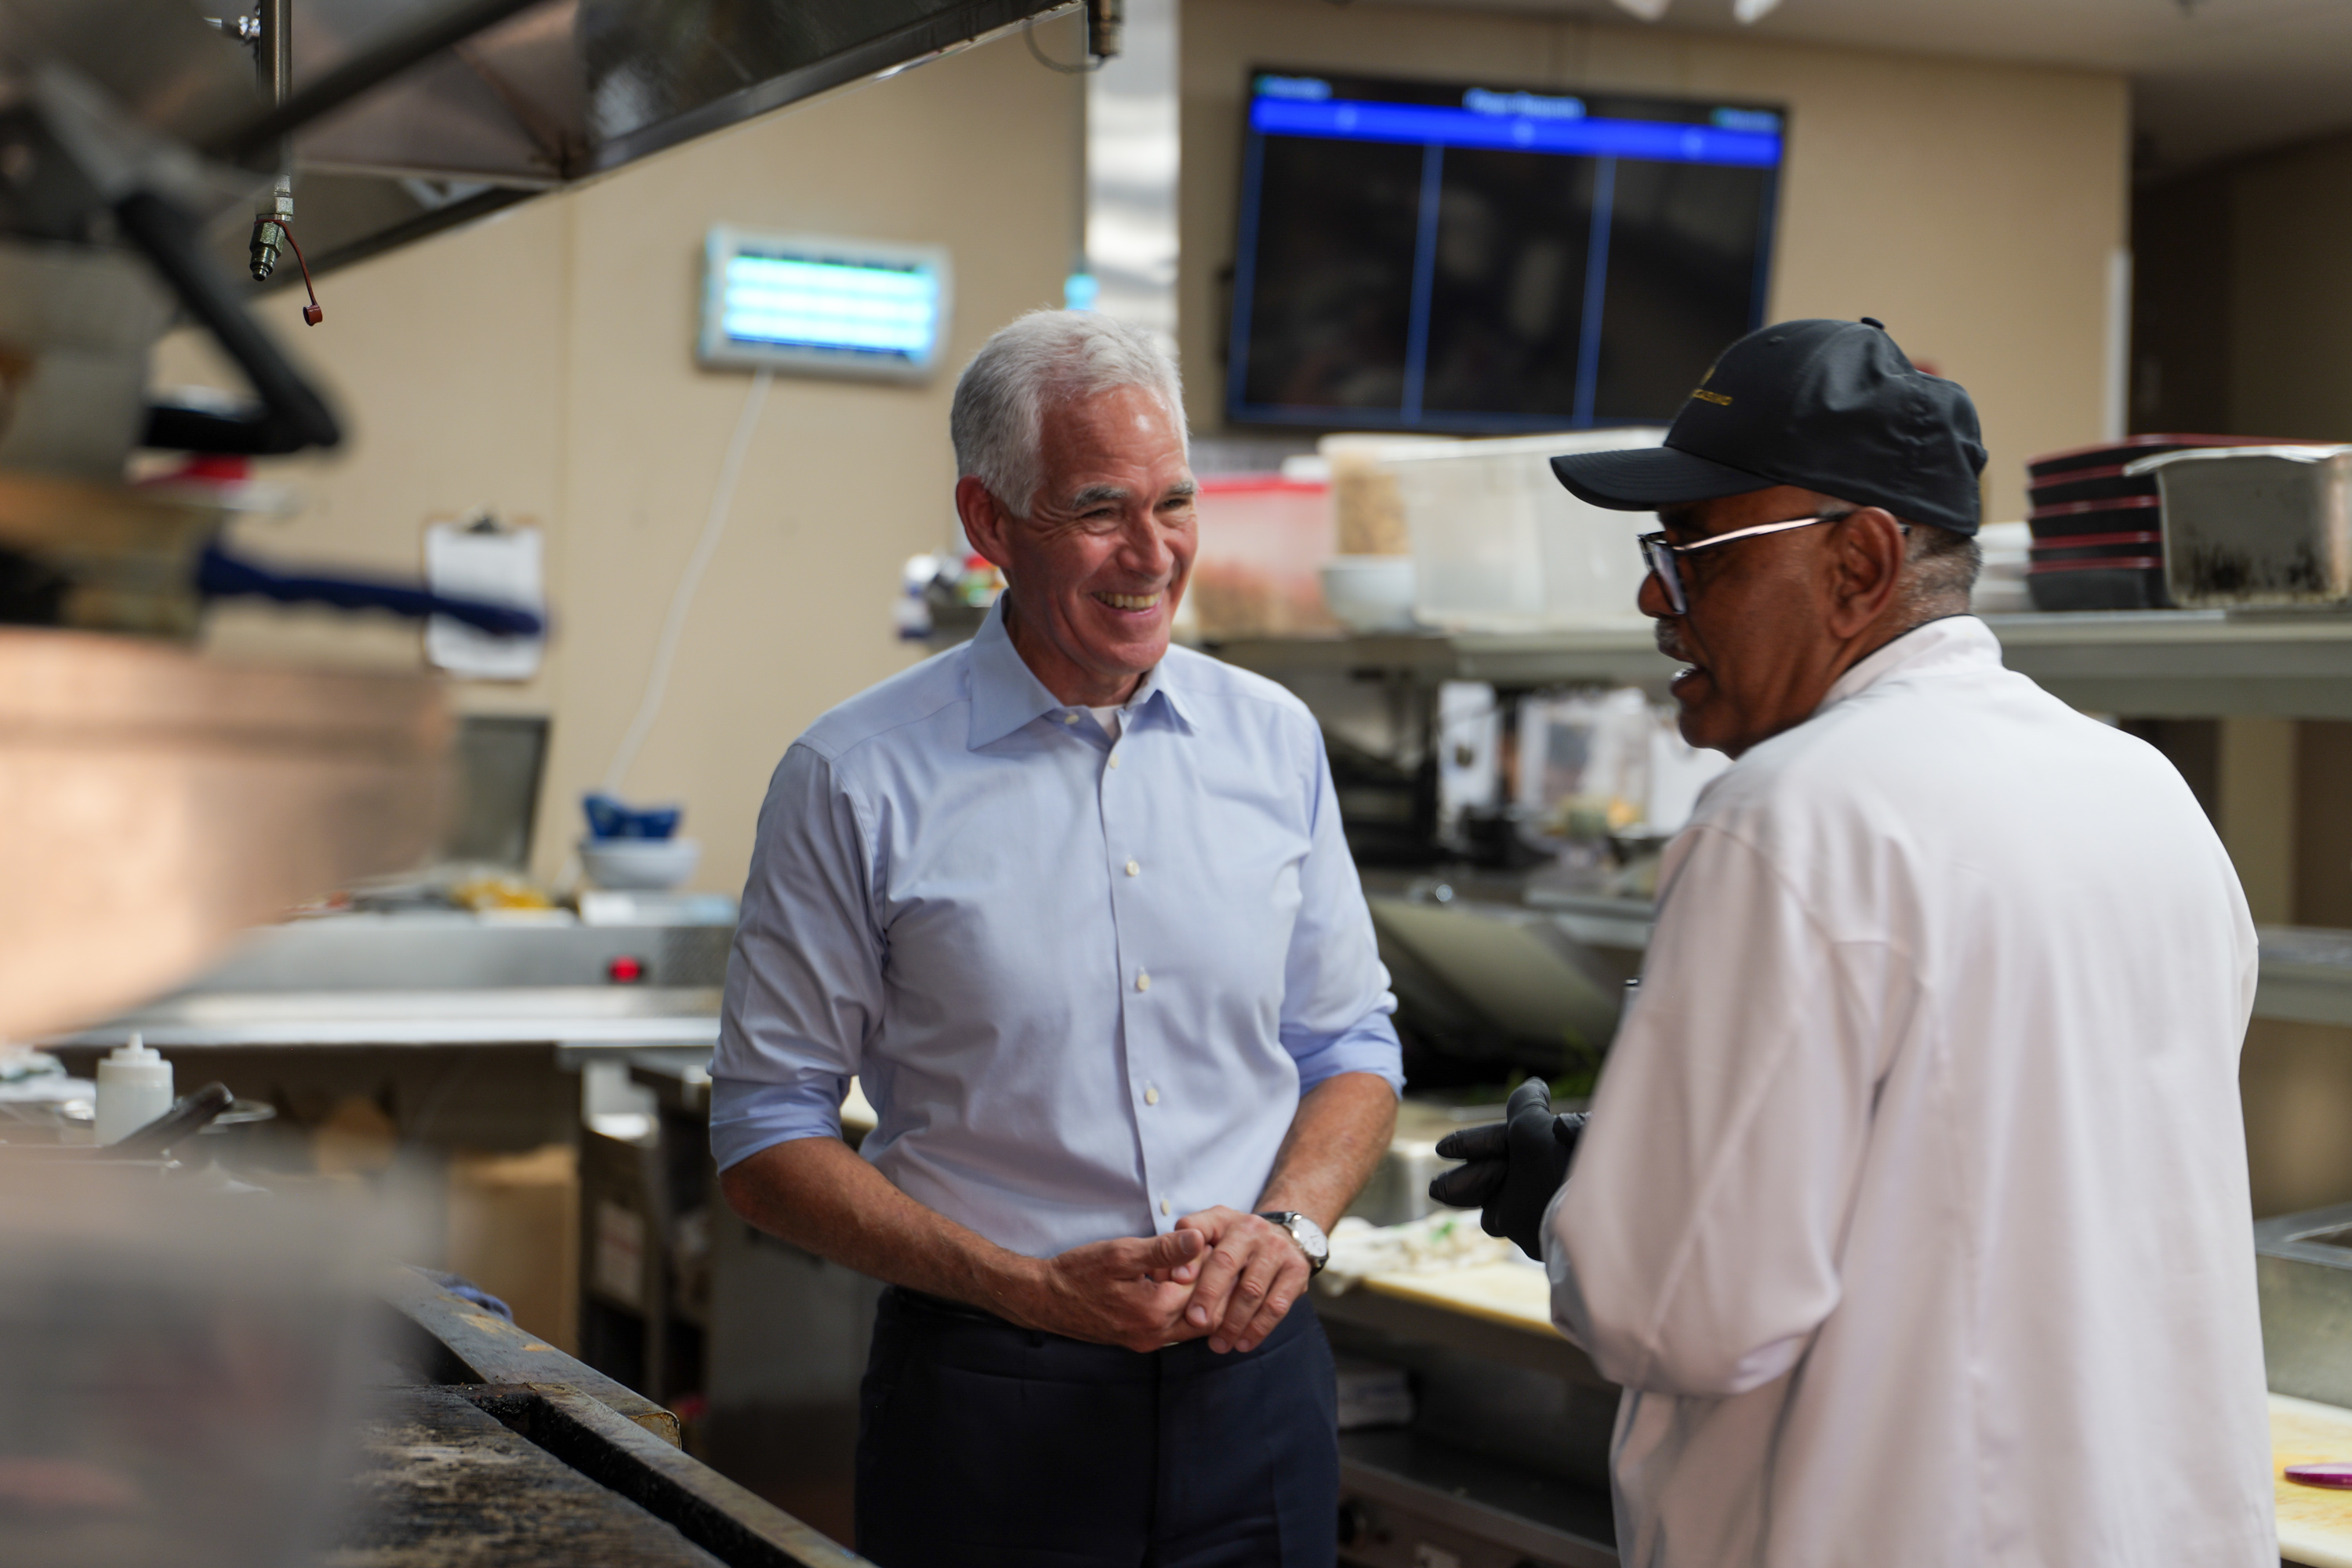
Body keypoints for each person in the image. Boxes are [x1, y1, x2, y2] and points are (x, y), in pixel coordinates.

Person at [1432, 318, 2275, 1566]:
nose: (1655, 595)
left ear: (1861, 562)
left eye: (1696, 551)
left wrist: (1576, 1213)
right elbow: (1994, 1158)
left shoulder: (1787, 817)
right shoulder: (2146, 791)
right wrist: (1658, 1158)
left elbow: (1681, 1310)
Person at [710, 309, 1403, 1566]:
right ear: (988, 526)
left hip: (1257, 1386)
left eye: (1175, 502)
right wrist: (1027, 1289)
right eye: (1098, 511)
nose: (1152, 553)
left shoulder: (1275, 741)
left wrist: (1286, 1229)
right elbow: (765, 1135)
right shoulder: (854, 776)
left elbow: (1348, 1040)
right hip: (991, 1397)